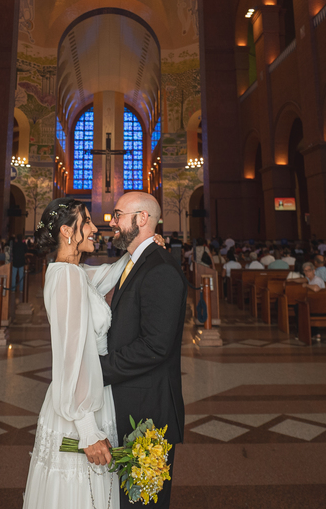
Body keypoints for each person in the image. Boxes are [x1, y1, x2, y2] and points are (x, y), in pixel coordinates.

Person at [23, 198, 130, 508]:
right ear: (68, 231)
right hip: (80, 406)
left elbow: (108, 274)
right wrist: (87, 431)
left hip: (84, 394)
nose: (95, 228)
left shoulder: (69, 272)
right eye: (87, 223)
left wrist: (140, 249)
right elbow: (71, 356)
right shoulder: (68, 277)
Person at [101, 191, 186, 508]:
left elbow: (155, 346)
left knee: (143, 503)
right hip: (131, 400)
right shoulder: (137, 262)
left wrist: (98, 369)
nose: (112, 221)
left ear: (143, 219)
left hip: (148, 409)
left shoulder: (160, 269)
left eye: (118, 214)